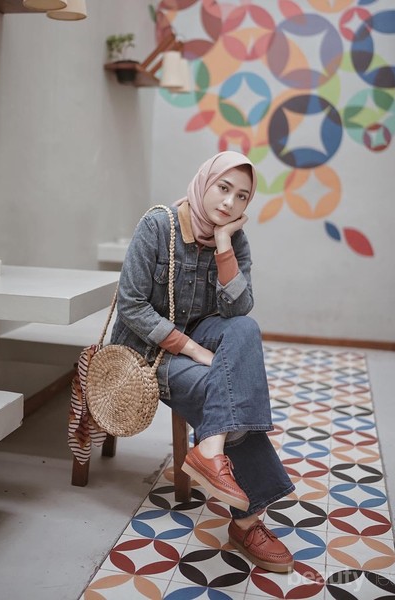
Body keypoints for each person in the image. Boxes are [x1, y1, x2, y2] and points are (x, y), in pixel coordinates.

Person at [110, 151, 295, 573]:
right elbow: (131, 305)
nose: (229, 202)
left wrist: (225, 245)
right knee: (224, 388)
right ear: (203, 182)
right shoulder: (158, 226)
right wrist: (193, 350)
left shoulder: (235, 239)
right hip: (146, 351)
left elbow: (238, 309)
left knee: (245, 331)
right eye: (223, 188)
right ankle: (247, 523)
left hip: (200, 335)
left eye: (242, 196)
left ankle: (209, 448)